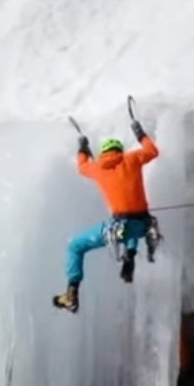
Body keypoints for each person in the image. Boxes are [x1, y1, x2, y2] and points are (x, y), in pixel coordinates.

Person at [53, 121, 159, 313]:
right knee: (130, 225)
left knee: (75, 246)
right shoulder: (132, 159)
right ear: (120, 150)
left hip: (121, 228)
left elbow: (82, 166)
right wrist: (139, 132)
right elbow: (152, 151)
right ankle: (130, 255)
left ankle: (71, 293)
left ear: (103, 153)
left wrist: (82, 147)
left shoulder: (98, 168)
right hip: (143, 226)